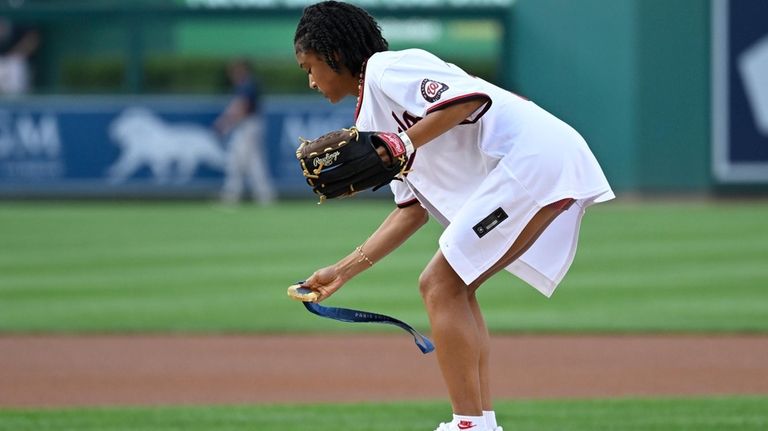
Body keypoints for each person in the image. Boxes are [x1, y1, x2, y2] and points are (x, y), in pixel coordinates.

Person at [293, 2, 614, 431]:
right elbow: (410, 212)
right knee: (455, 286)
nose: (311, 80)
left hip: (532, 156)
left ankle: (469, 425)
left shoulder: (389, 68)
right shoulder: (371, 121)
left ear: (334, 55)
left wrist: (402, 142)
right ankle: (481, 422)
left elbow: (467, 101)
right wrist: (343, 271)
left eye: (310, 67)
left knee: (439, 284)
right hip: (531, 165)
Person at [215, 58, 276, 205]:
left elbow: (242, 108)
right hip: (248, 126)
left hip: (249, 126)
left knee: (239, 162)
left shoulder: (247, 84)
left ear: (242, 70)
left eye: (235, 70)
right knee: (252, 162)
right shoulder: (246, 84)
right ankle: (264, 196)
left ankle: (233, 195)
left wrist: (225, 124)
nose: (232, 75)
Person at [0, 18, 40, 96]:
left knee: (16, 65)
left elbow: (33, 38)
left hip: (16, 61)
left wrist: (14, 55)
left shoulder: (21, 17)